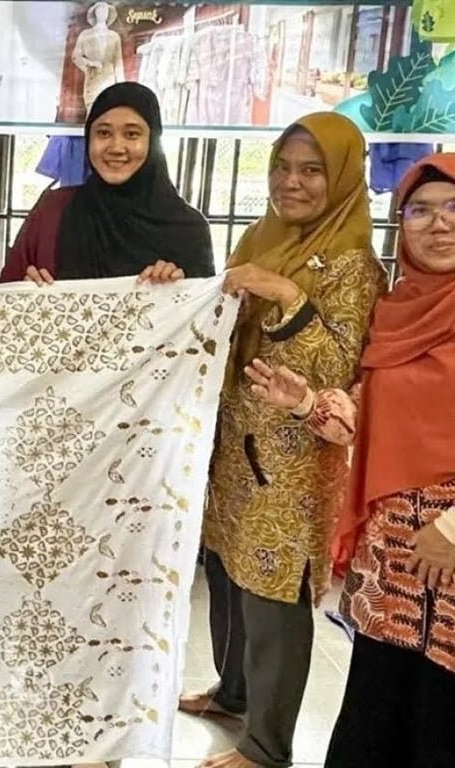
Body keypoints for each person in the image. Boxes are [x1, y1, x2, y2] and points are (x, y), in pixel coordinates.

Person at [180, 112, 388, 768]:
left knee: (274, 597)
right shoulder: (258, 236)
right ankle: (233, 692)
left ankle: (266, 747)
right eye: (282, 167)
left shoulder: (354, 265)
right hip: (233, 447)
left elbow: (338, 366)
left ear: (342, 178)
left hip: (294, 460)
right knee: (227, 576)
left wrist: (287, 295)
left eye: (311, 170)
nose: (291, 182)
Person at [243, 153, 455, 768]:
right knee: (375, 710)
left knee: (440, 719)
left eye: (453, 209)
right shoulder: (397, 310)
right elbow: (368, 419)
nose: (438, 225)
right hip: (391, 551)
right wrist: (305, 401)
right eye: (419, 211)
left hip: (448, 551)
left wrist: (450, 531)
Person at [0, 82, 214, 286]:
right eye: (103, 133)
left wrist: (178, 289)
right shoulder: (53, 210)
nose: (116, 147)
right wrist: (23, 292)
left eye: (132, 134)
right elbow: (0, 301)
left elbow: (207, 309)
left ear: (153, 140)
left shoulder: (189, 230)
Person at [71, 2, 125, 115]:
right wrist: (90, 64)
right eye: (99, 10)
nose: (102, 13)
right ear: (94, 13)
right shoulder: (85, 35)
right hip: (92, 81)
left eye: (105, 10)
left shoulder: (114, 36)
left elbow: (118, 63)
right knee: (92, 114)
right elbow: (76, 56)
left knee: (109, 113)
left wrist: (121, 88)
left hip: (109, 82)